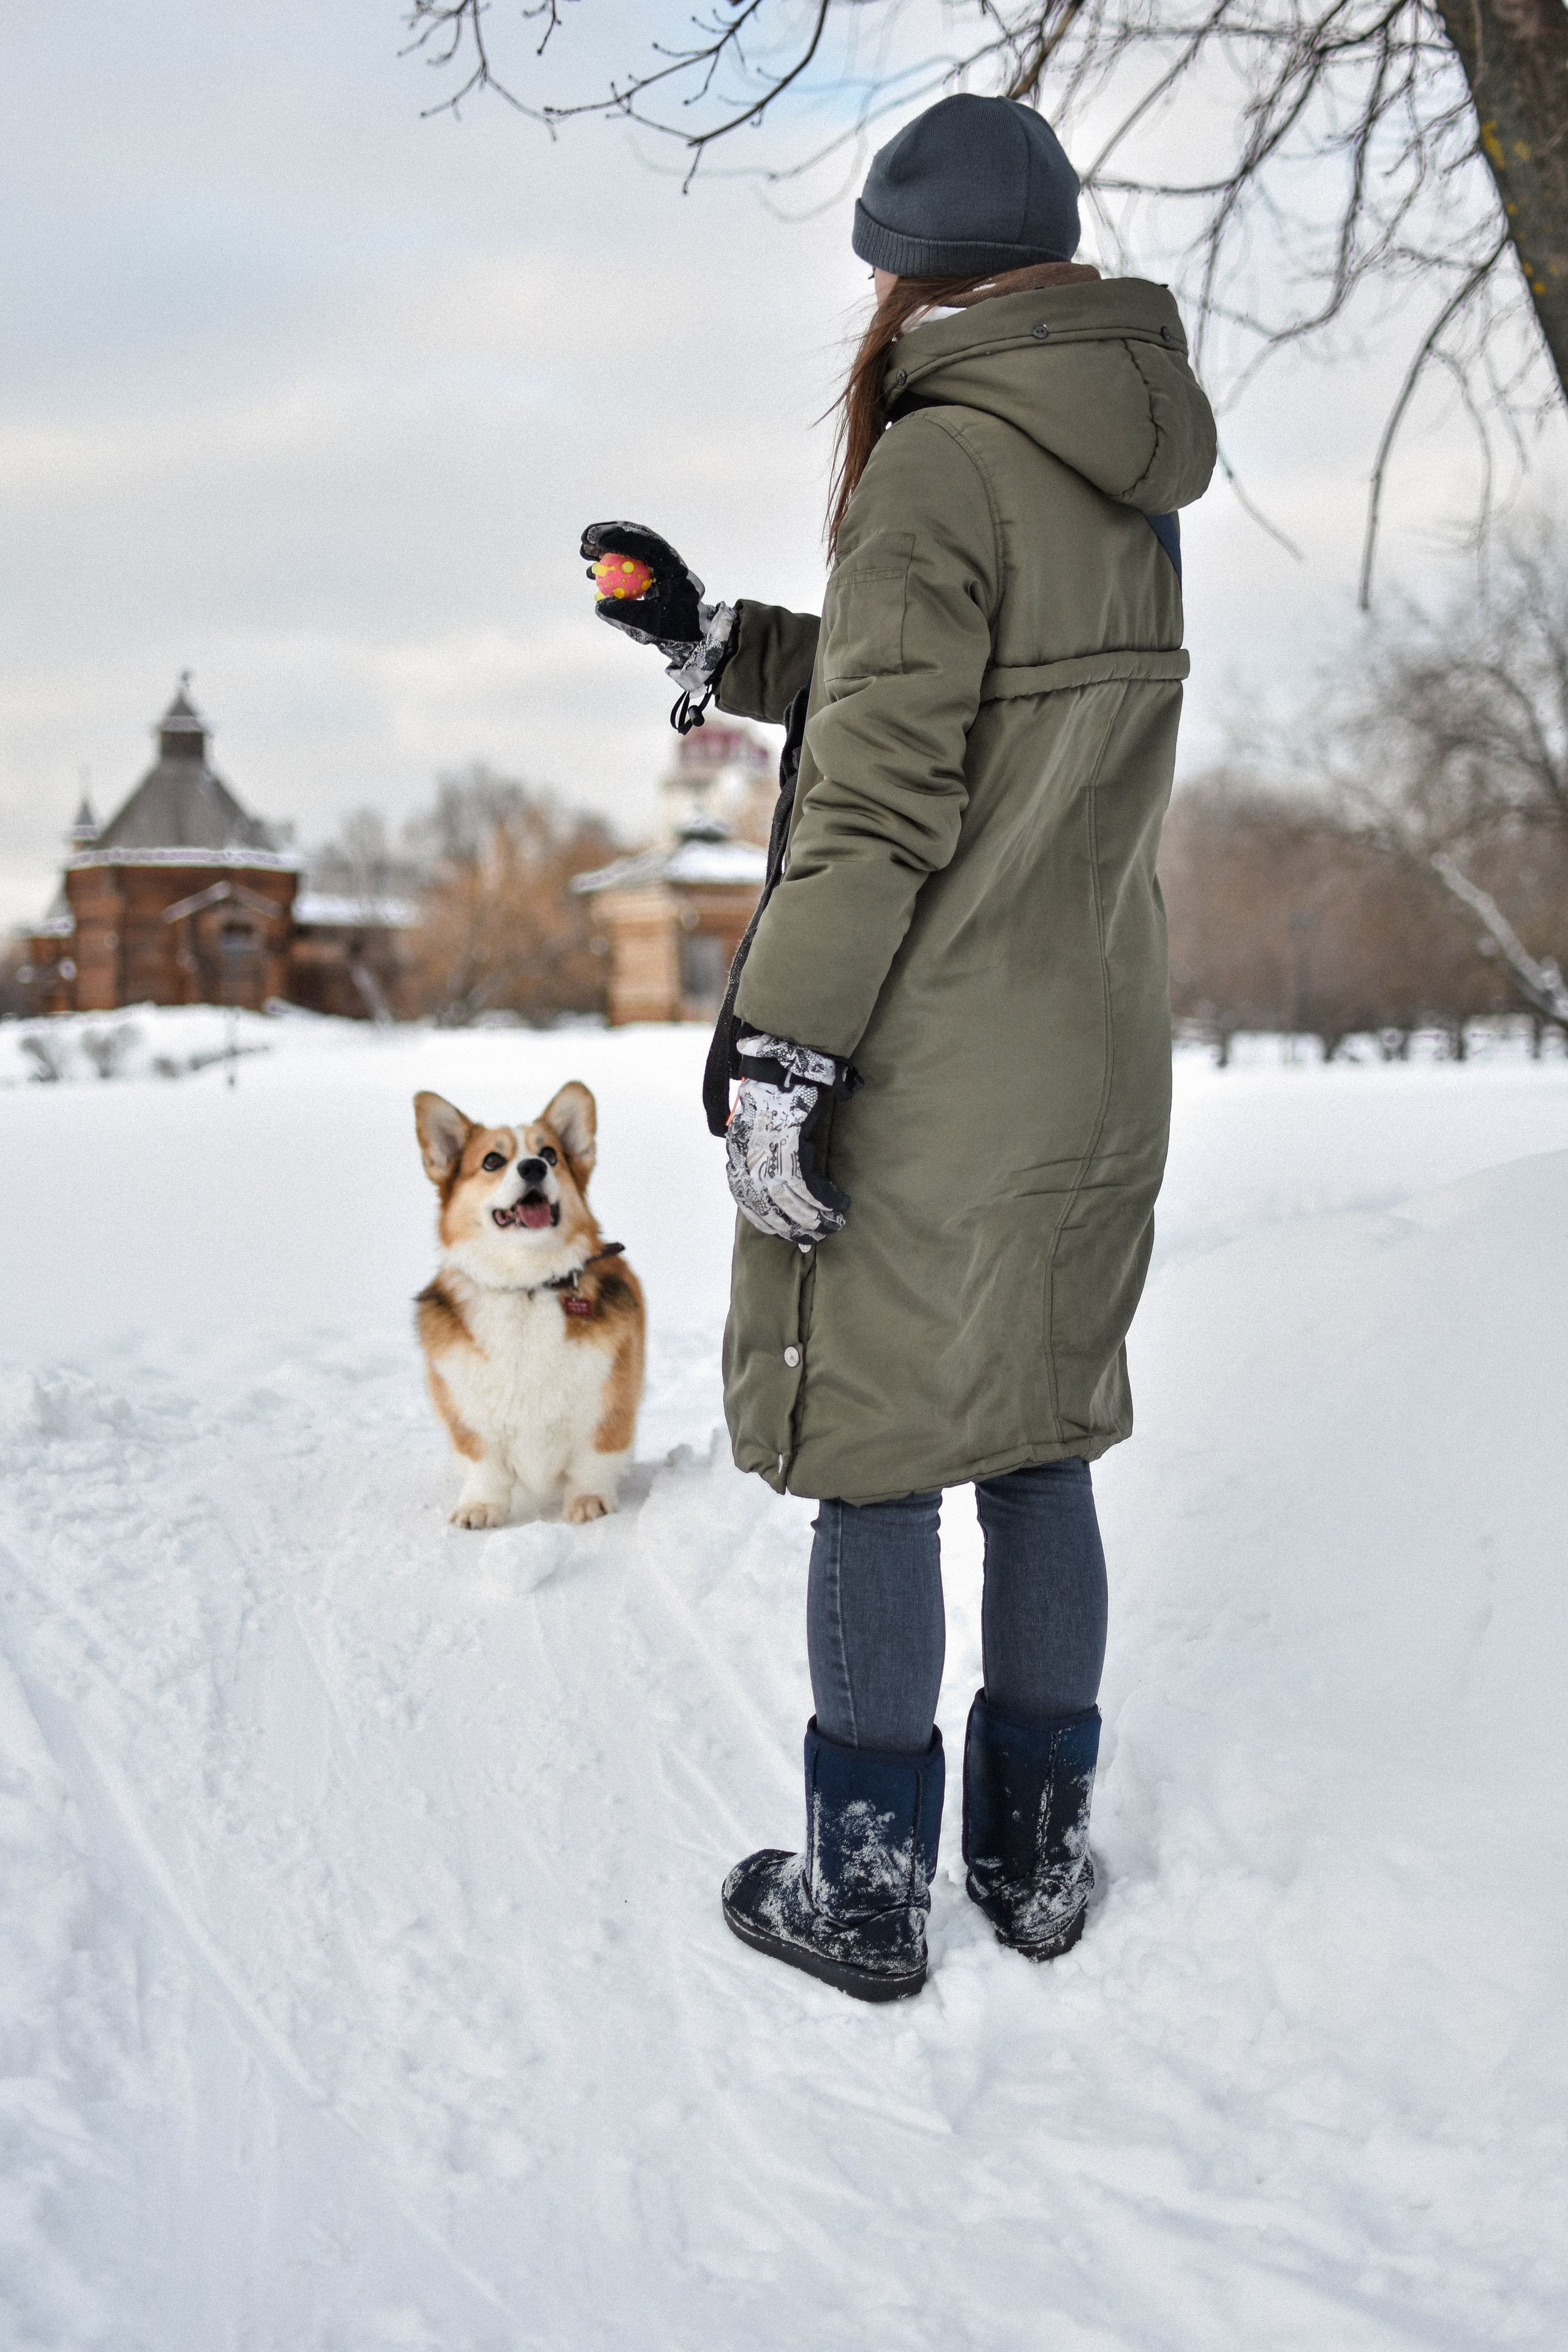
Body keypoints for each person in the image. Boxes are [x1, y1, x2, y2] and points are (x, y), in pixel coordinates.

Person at [582, 92, 1216, 2002]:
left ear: (900, 268)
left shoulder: (941, 460)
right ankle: (1034, 1865)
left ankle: (864, 1895)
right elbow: (946, 691)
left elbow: (878, 805)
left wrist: (785, 1045)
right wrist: (719, 637)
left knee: (877, 1447)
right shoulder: (1113, 446)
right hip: (1094, 1036)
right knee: (1039, 1438)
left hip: (931, 1050)